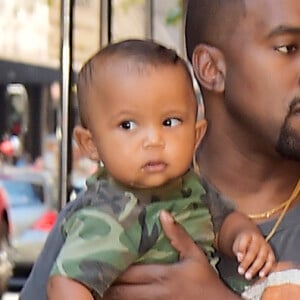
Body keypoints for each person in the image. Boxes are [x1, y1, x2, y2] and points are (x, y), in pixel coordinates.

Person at [20, 0, 300, 299]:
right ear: (211, 68)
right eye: (288, 48)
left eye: (168, 121)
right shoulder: (99, 212)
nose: (152, 139)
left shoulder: (208, 206)